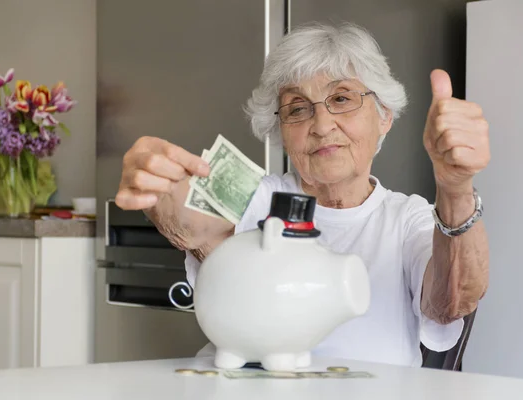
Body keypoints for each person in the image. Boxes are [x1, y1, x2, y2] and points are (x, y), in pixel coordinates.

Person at [115, 22, 490, 367]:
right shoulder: (256, 198)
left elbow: (450, 302)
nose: (322, 125)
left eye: (342, 99)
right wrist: (154, 178)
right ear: (279, 129)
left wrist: (455, 189)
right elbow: (189, 217)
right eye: (298, 108)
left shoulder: (409, 218)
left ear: (384, 116)